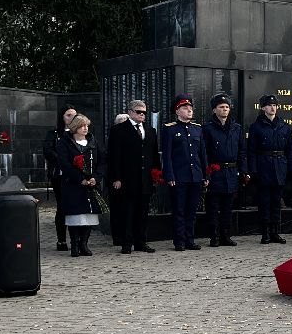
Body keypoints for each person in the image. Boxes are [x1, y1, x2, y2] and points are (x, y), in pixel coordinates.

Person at [105, 99, 159, 255]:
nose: (142, 115)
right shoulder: (119, 130)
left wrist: (156, 174)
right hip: (127, 178)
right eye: (139, 112)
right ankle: (126, 242)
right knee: (128, 211)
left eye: (144, 112)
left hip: (145, 178)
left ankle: (141, 241)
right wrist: (116, 177)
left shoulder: (150, 131)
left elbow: (153, 155)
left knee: (143, 212)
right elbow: (114, 156)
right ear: (130, 112)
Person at [160, 96, 207, 251]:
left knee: (192, 210)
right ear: (177, 111)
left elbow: (202, 154)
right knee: (179, 210)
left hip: (196, 175)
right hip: (179, 176)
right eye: (186, 108)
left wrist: (206, 175)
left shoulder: (197, 128)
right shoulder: (170, 129)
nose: (189, 110)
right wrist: (169, 175)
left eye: (191, 108)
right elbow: (167, 155)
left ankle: (190, 240)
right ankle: (179, 241)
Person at [245, 95, 292, 243]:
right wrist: (253, 170)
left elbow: (290, 150)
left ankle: (275, 232)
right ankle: (265, 233)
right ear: (263, 108)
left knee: (276, 202)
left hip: (280, 166)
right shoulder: (256, 127)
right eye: (269, 105)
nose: (272, 108)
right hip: (264, 166)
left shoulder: (284, 127)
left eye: (274, 105)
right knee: (265, 202)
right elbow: (252, 151)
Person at [54, 115, 103, 256]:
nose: (85, 128)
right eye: (82, 126)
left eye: (87, 126)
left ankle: (84, 244)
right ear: (75, 127)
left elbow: (102, 160)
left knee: (88, 215)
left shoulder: (93, 141)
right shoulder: (65, 142)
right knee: (75, 215)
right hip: (73, 184)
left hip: (91, 184)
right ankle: (74, 244)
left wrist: (96, 177)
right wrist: (80, 179)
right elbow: (64, 163)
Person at [204, 93, 244, 247]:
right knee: (213, 206)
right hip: (216, 171)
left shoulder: (236, 128)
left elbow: (241, 150)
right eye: (221, 107)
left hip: (231, 171)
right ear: (214, 110)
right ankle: (213, 236)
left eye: (227, 107)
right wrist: (207, 172)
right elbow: (205, 152)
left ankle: (225, 235)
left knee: (227, 206)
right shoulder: (207, 128)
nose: (225, 110)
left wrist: (242, 170)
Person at [42, 103, 77, 252]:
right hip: (61, 174)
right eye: (68, 115)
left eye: (74, 115)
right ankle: (61, 240)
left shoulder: (80, 132)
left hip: (76, 175)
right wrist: (63, 161)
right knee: (62, 207)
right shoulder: (55, 133)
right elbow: (48, 151)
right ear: (62, 117)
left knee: (75, 206)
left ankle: (77, 240)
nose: (72, 118)